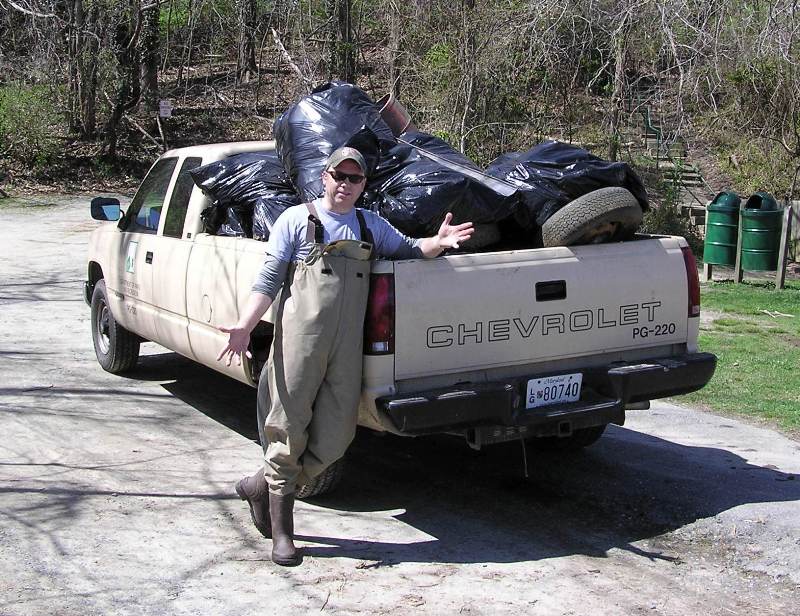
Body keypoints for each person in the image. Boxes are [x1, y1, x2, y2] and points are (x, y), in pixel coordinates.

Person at [217, 146, 473, 566]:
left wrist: (438, 243)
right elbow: (268, 278)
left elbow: (409, 248)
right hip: (299, 344)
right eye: (339, 175)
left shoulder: (368, 226)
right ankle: (284, 532)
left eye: (354, 179)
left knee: (337, 436)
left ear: (363, 186)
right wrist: (246, 325)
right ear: (325, 177)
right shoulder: (297, 220)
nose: (345, 185)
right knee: (288, 427)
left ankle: (260, 485)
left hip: (345, 350)